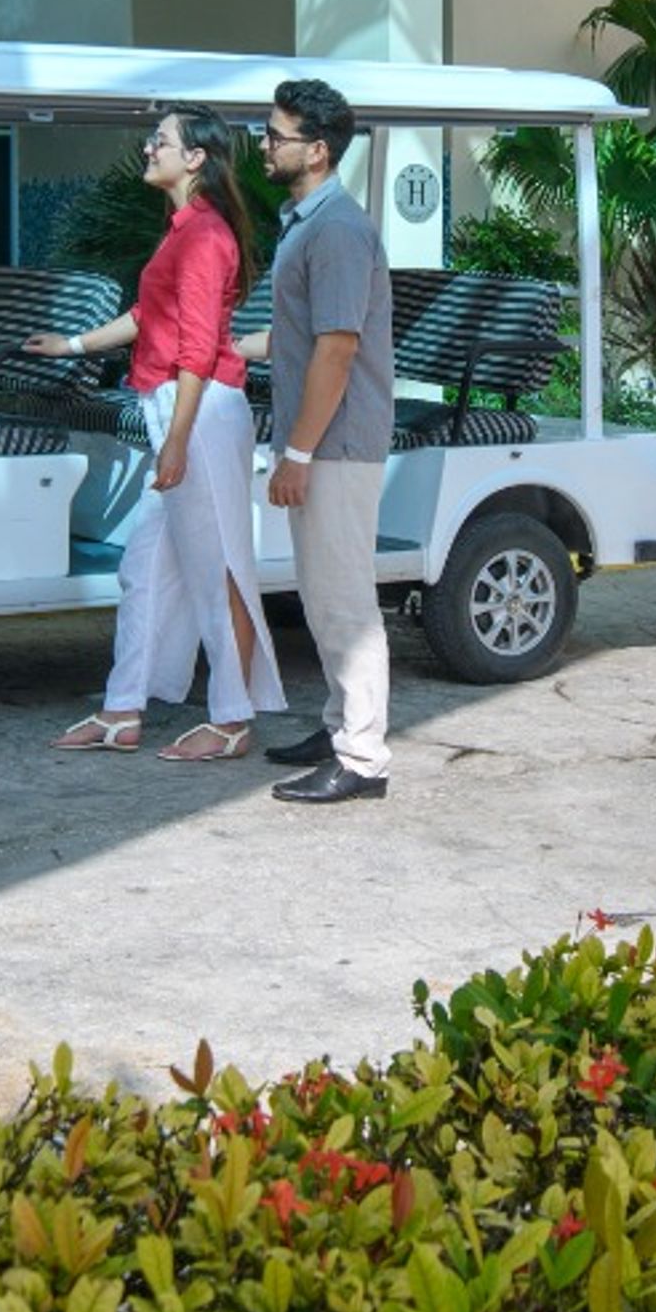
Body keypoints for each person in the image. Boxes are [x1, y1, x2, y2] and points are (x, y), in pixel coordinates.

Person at [26, 106, 285, 761]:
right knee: (144, 570)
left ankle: (231, 719)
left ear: (196, 157)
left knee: (217, 568)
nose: (148, 148)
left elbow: (199, 350)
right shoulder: (184, 230)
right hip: (178, 410)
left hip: (196, 414)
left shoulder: (204, 236)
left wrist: (175, 442)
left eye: (160, 141)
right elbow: (150, 315)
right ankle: (122, 711)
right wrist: (72, 344)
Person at [256, 77, 398, 804]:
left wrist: (299, 453)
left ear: (315, 150)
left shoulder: (338, 229)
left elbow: (336, 348)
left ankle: (363, 758)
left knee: (344, 600)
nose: (264, 145)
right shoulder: (308, 222)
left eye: (275, 136)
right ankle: (340, 722)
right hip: (325, 442)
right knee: (321, 595)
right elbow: (297, 334)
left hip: (336, 446)